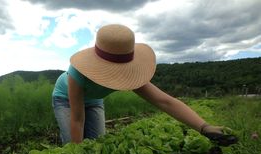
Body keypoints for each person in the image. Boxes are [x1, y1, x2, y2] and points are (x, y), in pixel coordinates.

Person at [52, 24, 236, 145]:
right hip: (65, 99)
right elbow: (77, 119)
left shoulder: (128, 73)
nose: (117, 75)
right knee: (74, 143)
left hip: (94, 100)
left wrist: (204, 127)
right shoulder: (78, 72)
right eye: (111, 71)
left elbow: (165, 101)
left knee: (98, 142)